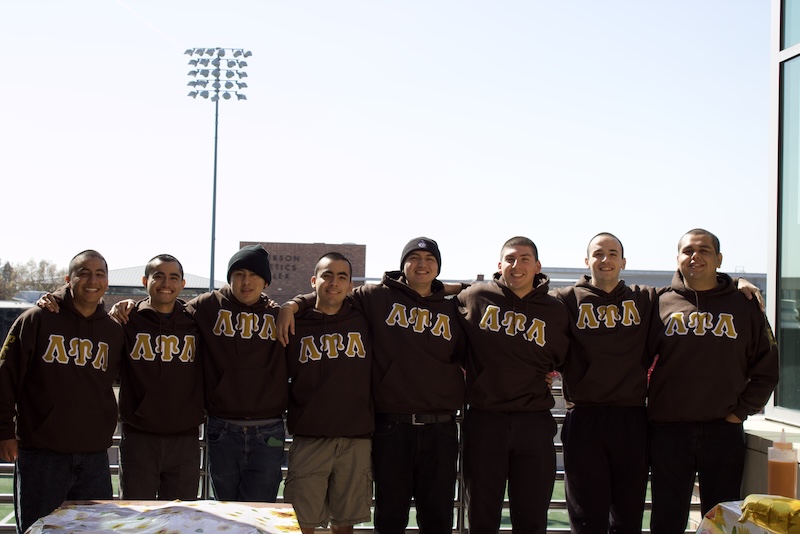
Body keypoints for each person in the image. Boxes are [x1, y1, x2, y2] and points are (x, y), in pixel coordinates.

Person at [279, 237, 466, 534]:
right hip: (391, 426)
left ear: (438, 267)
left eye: (429, 259)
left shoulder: (454, 309)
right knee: (389, 517)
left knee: (438, 517)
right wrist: (292, 304)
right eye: (414, 257)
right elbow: (328, 294)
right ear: (402, 264)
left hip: (440, 427)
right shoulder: (375, 297)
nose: (422, 264)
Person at [112, 244, 288, 502]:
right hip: (216, 428)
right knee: (221, 510)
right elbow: (163, 303)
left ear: (266, 282)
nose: (246, 281)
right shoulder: (207, 306)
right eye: (239, 274)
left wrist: (291, 306)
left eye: (254, 275)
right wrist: (126, 304)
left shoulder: (278, 314)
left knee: (258, 510)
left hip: (265, 429)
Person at [36, 254, 205, 501]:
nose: (165, 283)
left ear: (182, 283)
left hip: (185, 439)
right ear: (145, 280)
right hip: (139, 438)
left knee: (181, 519)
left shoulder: (196, 321)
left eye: (173, 277)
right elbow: (87, 301)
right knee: (135, 518)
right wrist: (59, 295)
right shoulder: (127, 319)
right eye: (158, 276)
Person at [647, 229, 779, 534]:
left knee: (723, 520)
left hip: (723, 429)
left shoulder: (745, 304)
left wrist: (739, 412)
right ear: (677, 259)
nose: (695, 256)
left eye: (704, 250)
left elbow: (767, 367)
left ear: (719, 259)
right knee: (666, 519)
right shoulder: (659, 303)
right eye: (688, 251)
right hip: (669, 431)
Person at [0, 250, 124, 534]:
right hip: (43, 453)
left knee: (95, 530)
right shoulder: (36, 319)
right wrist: (5, 431)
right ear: (69, 279)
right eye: (83, 273)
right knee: (38, 530)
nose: (92, 280)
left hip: (94, 456)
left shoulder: (114, 331)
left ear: (107, 281)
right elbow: (6, 377)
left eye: (99, 274)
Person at [455, 236, 570, 534]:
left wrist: (551, 374)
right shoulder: (477, 296)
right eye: (510, 259)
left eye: (524, 259)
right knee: (482, 513)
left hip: (533, 422)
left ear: (537, 266)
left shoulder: (555, 310)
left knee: (531, 515)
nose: (516, 266)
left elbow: (565, 356)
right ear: (499, 264)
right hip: (484, 419)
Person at [553, 233, 657, 534]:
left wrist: (736, 283)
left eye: (613, 254)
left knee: (628, 516)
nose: (605, 259)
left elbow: (688, 290)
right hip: (585, 418)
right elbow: (521, 294)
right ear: (587, 261)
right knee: (586, 517)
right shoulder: (566, 299)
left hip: (632, 418)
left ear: (623, 261)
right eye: (598, 253)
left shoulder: (645, 298)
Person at [282, 252, 373, 534]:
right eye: (327, 275)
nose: (334, 283)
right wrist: (292, 306)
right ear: (314, 281)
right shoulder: (295, 323)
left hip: (355, 438)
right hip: (310, 437)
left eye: (341, 277)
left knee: (344, 525)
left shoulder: (365, 318)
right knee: (301, 524)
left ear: (350, 285)